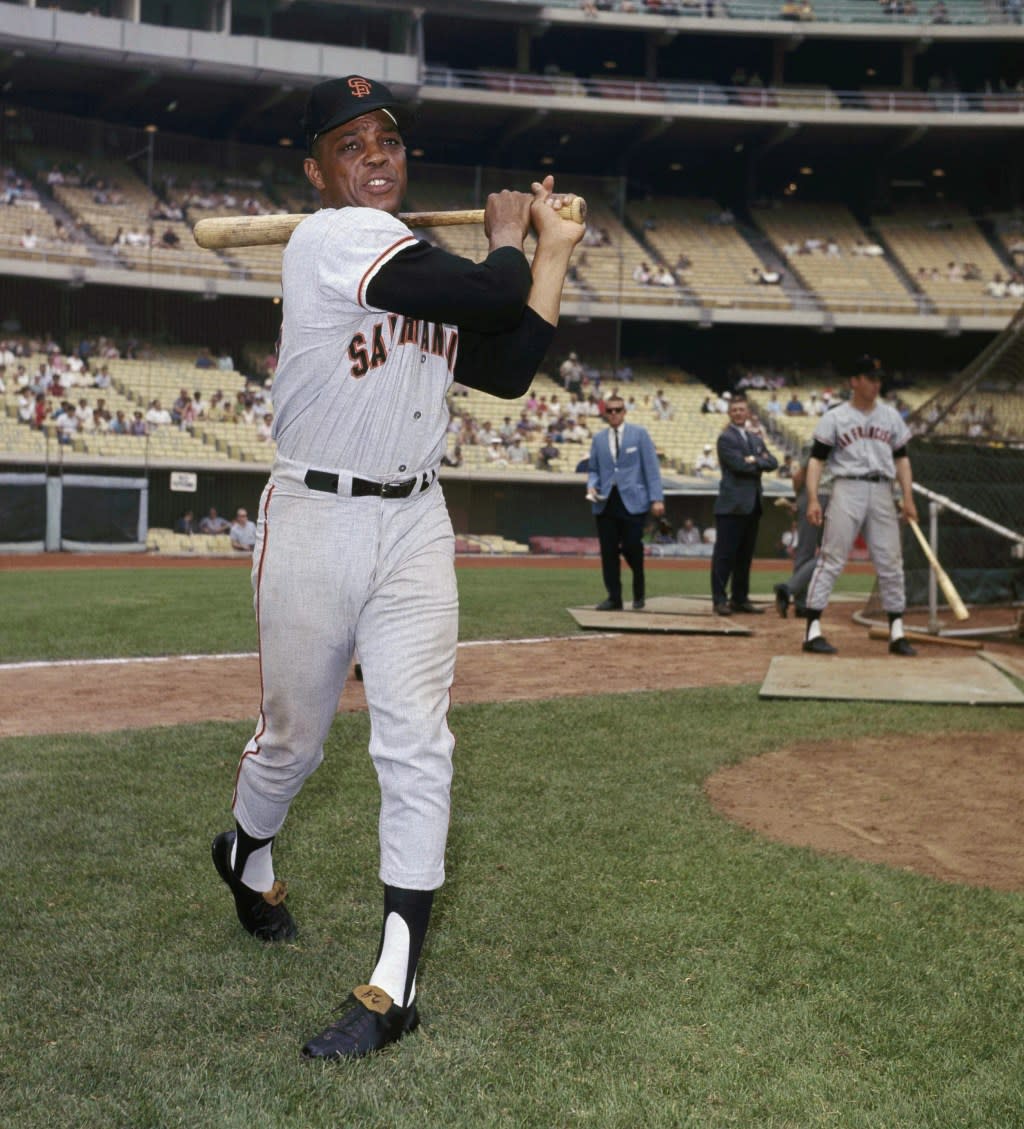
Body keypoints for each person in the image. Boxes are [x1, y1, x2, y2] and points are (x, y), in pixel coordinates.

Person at [210, 75, 583, 1062]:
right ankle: (246, 848)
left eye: (388, 140)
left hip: (413, 520)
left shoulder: (419, 262)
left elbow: (504, 365)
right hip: (316, 517)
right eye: (350, 144)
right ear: (317, 171)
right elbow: (487, 290)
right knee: (291, 743)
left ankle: (395, 980)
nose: (376, 154)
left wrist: (554, 252)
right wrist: (511, 233)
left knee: (416, 746)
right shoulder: (330, 241)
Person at [801, 356, 918, 656]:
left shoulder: (890, 416)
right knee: (832, 557)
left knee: (890, 562)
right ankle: (812, 629)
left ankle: (897, 631)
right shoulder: (835, 416)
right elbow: (816, 460)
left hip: (882, 489)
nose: (876, 383)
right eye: (870, 378)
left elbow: (902, 458)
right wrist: (813, 498)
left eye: (878, 378)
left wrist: (908, 497)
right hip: (847, 487)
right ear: (854, 381)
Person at [585, 393, 664, 611]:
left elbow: (651, 469)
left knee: (632, 547)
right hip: (605, 502)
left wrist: (656, 498)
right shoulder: (598, 439)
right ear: (604, 413)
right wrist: (591, 484)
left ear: (624, 411)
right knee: (608, 551)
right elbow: (593, 469)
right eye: (609, 410)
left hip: (634, 501)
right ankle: (614, 597)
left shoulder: (639, 434)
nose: (613, 414)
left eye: (617, 410)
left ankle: (639, 591)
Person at [710, 394, 779, 615]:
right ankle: (719, 600)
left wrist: (754, 460)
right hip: (732, 506)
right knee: (725, 555)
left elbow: (773, 462)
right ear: (730, 413)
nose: (739, 413)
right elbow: (739, 466)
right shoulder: (726, 438)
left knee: (745, 556)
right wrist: (756, 460)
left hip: (752, 505)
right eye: (735, 410)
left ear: (748, 412)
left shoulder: (755, 438)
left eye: (742, 409)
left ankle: (739, 598)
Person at [772, 456, 829, 619]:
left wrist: (801, 497)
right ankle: (790, 590)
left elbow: (798, 477)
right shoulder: (827, 440)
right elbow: (798, 475)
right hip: (827, 496)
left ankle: (800, 604)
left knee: (805, 552)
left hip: (809, 495)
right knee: (831, 553)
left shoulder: (818, 440)